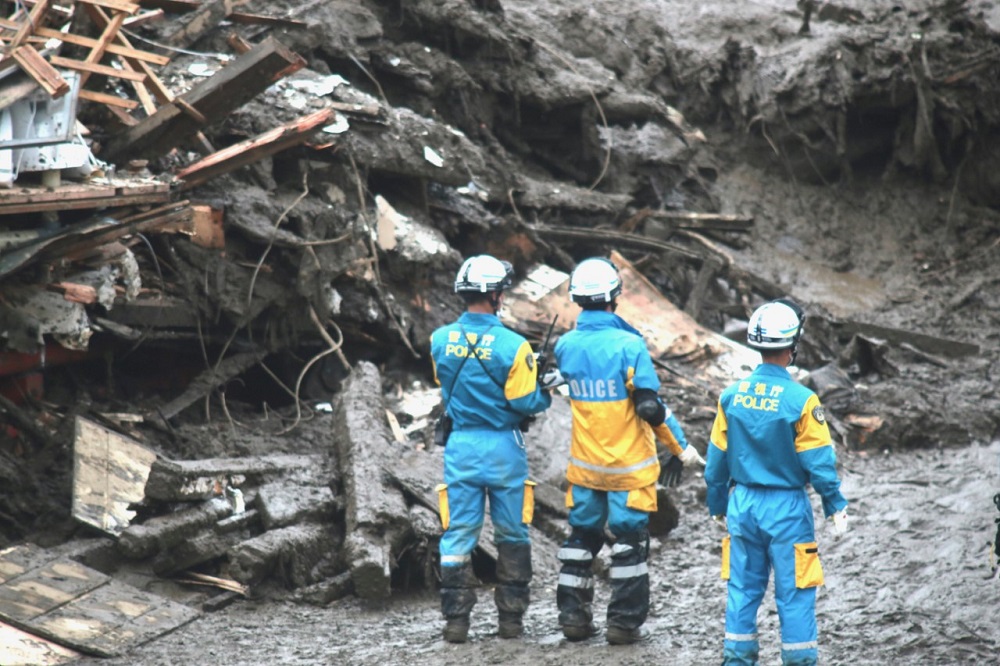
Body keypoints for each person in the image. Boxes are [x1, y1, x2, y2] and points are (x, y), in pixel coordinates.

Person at [552, 256, 705, 645]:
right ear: (614, 297)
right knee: (630, 543)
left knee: (580, 541)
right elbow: (651, 407)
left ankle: (572, 618)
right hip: (628, 471)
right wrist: (681, 448)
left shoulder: (565, 345)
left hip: (585, 469)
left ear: (577, 298)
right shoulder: (629, 345)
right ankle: (622, 624)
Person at [704, 299, 849, 666]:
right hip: (786, 509)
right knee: (796, 592)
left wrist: (717, 504)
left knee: (742, 589)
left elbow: (716, 461)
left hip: (742, 505)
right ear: (793, 344)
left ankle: (737, 660)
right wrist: (834, 504)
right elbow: (818, 463)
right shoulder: (802, 400)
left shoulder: (731, 396)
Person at [429, 254, 554, 644]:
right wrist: (542, 388)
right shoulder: (514, 346)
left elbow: (444, 382)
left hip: (460, 446)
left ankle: (455, 623)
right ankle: (511, 622)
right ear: (496, 295)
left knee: (458, 533)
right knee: (512, 532)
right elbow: (522, 402)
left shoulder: (439, 339)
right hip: (504, 447)